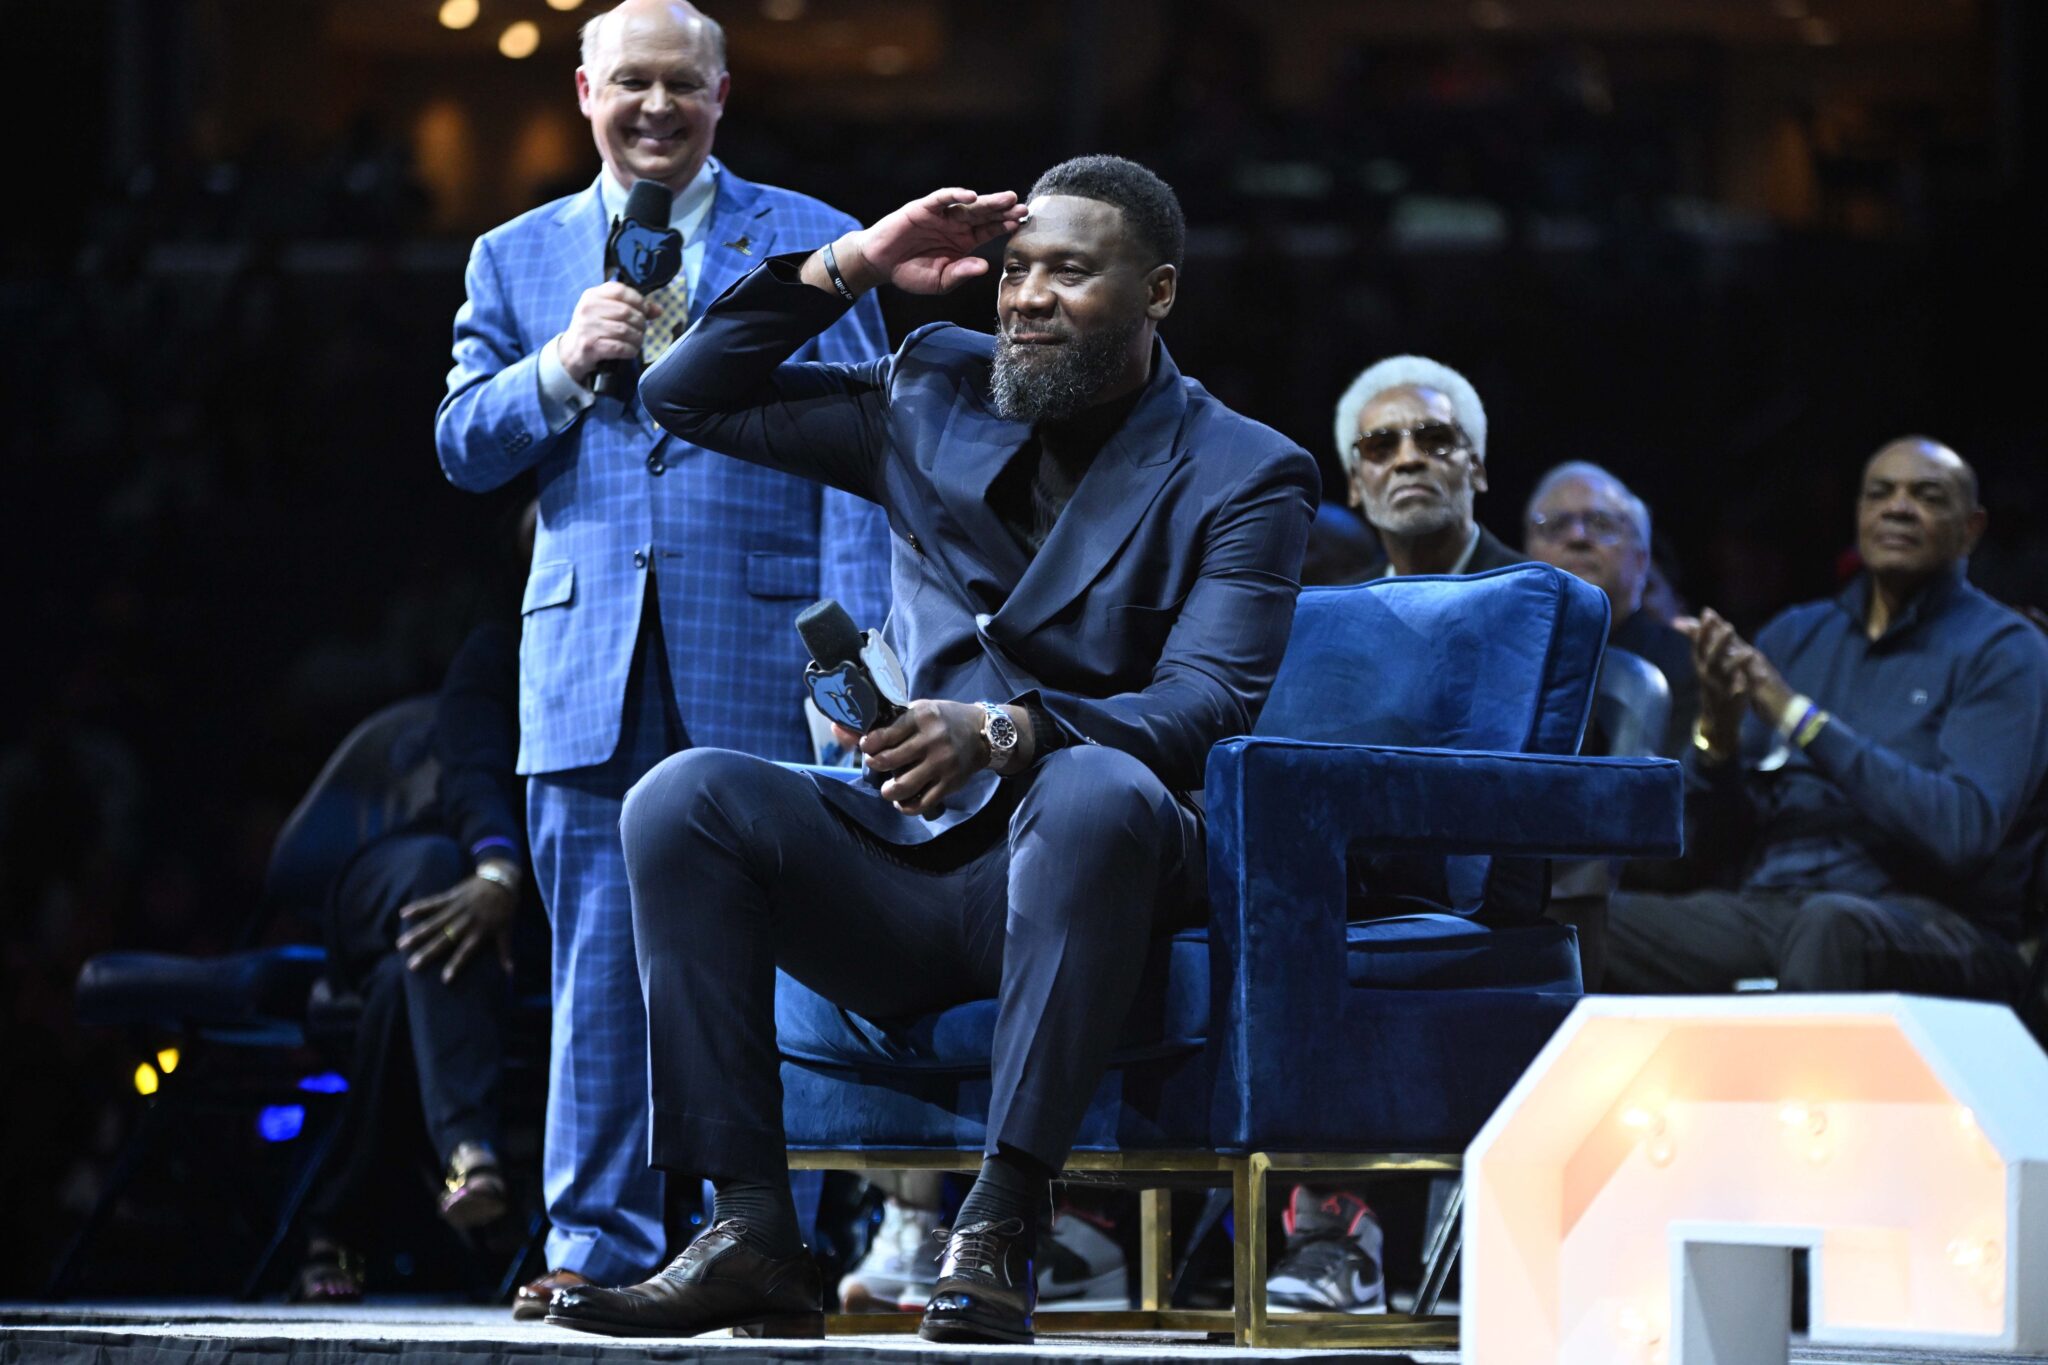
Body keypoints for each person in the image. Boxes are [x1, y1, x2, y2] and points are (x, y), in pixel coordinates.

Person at [539, 158, 1318, 1344]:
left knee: (1092, 789)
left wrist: (1005, 731)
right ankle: (751, 1233)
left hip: (1090, 866)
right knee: (680, 799)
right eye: (1015, 270)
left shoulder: (1244, 470)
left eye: (1070, 271)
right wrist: (854, 261)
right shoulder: (931, 387)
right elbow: (683, 394)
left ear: (1156, 292)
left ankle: (998, 1226)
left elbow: (1206, 703)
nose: (1027, 297)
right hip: (909, 856)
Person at [432, 0, 890, 1317]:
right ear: (585, 92)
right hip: (588, 658)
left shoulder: (808, 240)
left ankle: (771, 1239)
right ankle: (594, 1240)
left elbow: (866, 462)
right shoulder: (516, 256)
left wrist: (852, 667)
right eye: (631, 82)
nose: (655, 107)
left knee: (777, 960)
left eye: (681, 84)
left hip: (766, 647)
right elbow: (463, 444)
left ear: (721, 95)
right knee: (595, 962)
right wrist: (560, 366)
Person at [1606, 437, 2048, 998]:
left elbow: (1961, 832)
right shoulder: (1796, 635)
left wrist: (1799, 717)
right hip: (1772, 908)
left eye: (1928, 496)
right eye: (1880, 493)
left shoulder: (2006, 649)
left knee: (1830, 928)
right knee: (1589, 919)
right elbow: (1705, 848)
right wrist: (1717, 737)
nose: (1898, 507)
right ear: (1859, 515)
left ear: (1971, 529)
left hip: (1936, 923)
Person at [290, 619, 540, 1302]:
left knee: (402, 987)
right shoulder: (496, 651)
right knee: (442, 880)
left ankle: (333, 1229)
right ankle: (469, 1147)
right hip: (410, 876)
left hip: (494, 938)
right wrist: (497, 869)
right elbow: (472, 777)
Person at [1523, 461, 1699, 759]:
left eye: (1601, 523)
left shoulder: (1690, 666)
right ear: (1527, 557)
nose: (1577, 537)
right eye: (1556, 526)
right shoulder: (1506, 656)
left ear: (1642, 560)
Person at [1331, 354, 1521, 580]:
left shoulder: (1540, 592)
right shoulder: (1343, 601)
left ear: (1476, 468)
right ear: (1355, 483)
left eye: (1436, 440)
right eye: (1380, 446)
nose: (1408, 459)